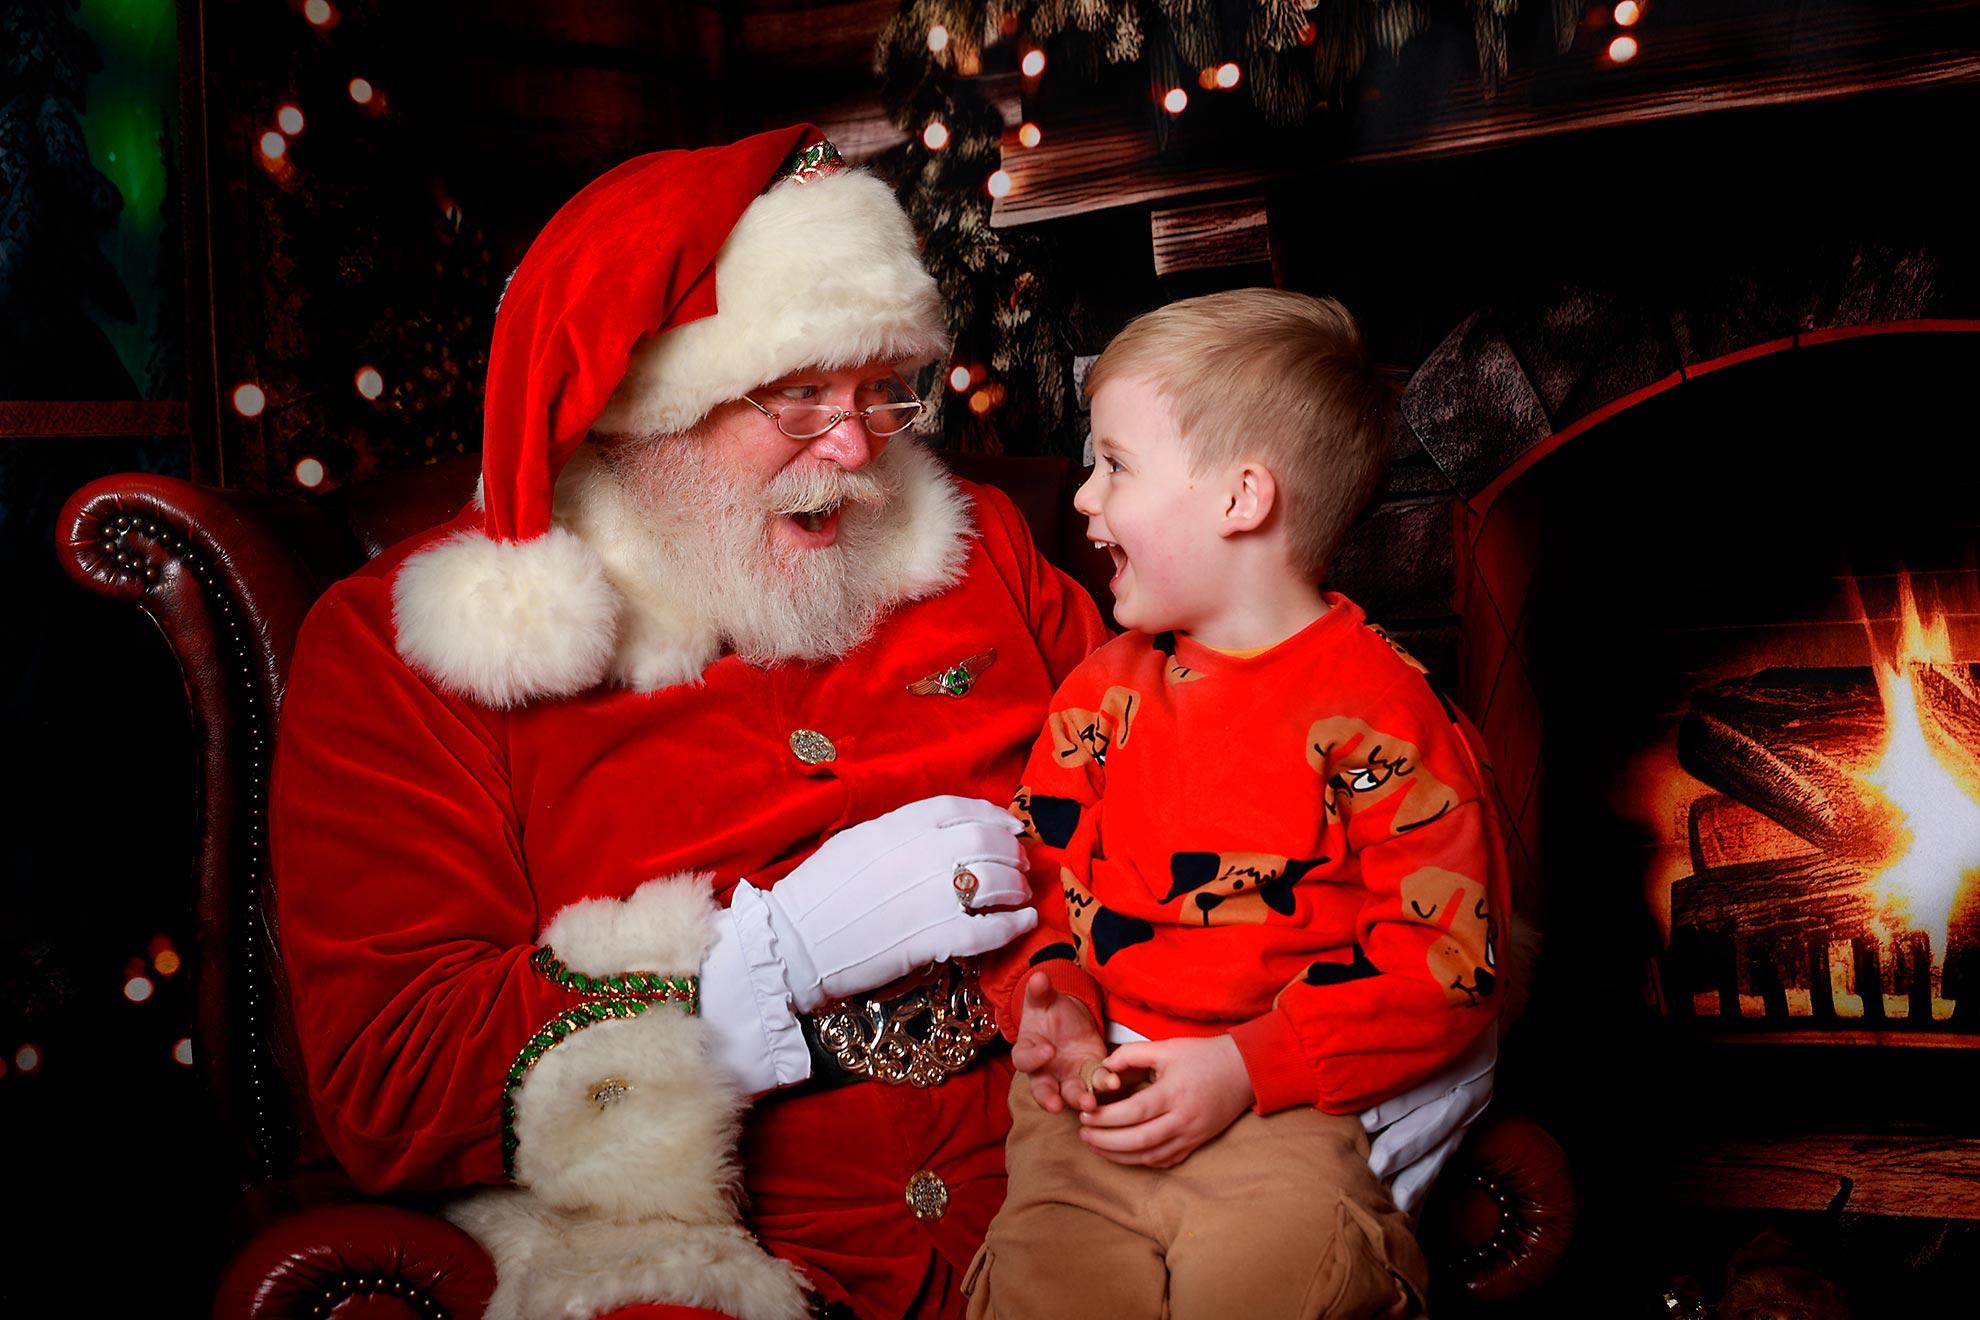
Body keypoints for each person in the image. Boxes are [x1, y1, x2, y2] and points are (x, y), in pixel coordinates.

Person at [271, 126, 1109, 1320]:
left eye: (884, 389)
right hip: (722, 1259)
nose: (855, 446)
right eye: (801, 391)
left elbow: (1164, 802)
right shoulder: (413, 650)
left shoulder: (980, 554)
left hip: (1071, 1192)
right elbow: (391, 1079)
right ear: (647, 405)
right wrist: (764, 960)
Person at [965, 290, 1511, 1320]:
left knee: (1286, 1286)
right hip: (1089, 1114)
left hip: (1282, 1113)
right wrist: (1061, 1014)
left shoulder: (1380, 718)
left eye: (1116, 465)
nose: (1085, 499)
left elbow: (1448, 959)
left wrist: (1244, 1069)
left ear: (1241, 498)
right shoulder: (1099, 699)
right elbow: (1038, 885)